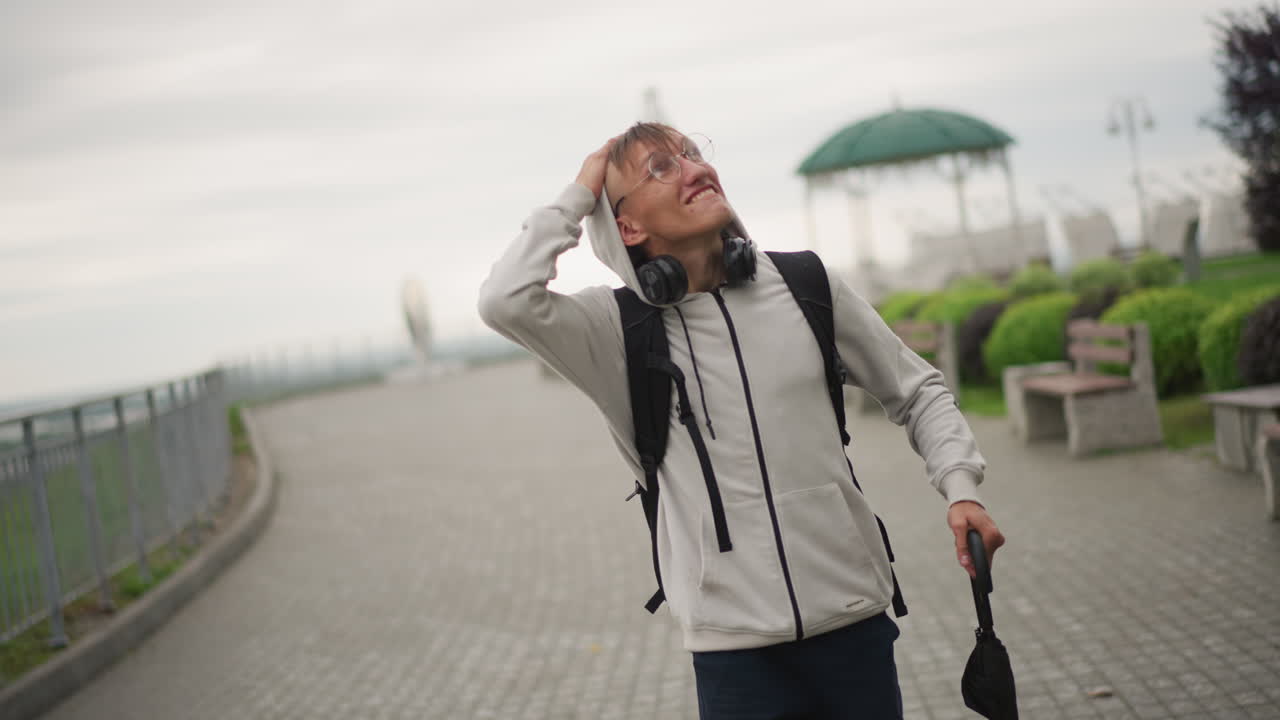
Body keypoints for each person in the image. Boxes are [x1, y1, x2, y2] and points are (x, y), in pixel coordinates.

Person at [478, 123, 1005, 719]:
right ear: (627, 227)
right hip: (734, 657)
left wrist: (961, 489)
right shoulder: (614, 333)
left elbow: (918, 391)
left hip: (854, 623)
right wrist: (581, 191)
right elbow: (505, 300)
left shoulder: (806, 285)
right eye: (660, 167)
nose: (693, 167)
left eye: (694, 154)